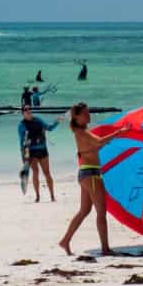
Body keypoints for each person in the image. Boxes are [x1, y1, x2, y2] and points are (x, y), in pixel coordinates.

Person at [58, 103, 112, 257]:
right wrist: (119, 133)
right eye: (86, 113)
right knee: (101, 212)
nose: (89, 116)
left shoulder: (82, 132)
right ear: (77, 117)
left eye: (89, 112)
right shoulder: (80, 132)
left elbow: (95, 147)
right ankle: (105, 248)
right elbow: (100, 142)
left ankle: (65, 240)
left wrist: (110, 138)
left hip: (86, 173)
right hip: (91, 175)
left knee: (84, 211)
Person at [18, 105, 54, 202]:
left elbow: (49, 128)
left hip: (42, 149)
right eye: (26, 110)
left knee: (47, 173)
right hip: (31, 152)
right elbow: (21, 142)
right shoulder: (21, 125)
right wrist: (24, 157)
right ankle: (37, 196)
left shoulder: (38, 120)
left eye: (30, 109)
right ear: (23, 113)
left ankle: (52, 196)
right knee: (35, 172)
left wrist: (57, 121)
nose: (28, 111)